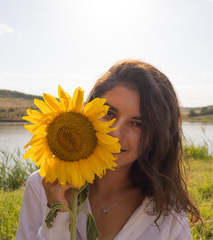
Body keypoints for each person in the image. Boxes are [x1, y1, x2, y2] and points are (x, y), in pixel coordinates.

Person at [16, 59, 200, 240]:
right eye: (109, 113)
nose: (115, 133)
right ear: (89, 111)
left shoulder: (167, 209)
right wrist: (58, 215)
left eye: (137, 124)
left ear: (155, 138)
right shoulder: (42, 187)